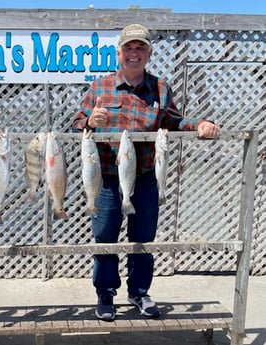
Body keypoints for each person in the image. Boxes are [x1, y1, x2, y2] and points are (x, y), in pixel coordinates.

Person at [73, 24, 220, 321]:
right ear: (118, 53)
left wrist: (201, 125)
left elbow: (176, 122)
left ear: (149, 53)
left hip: (145, 178)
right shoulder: (99, 87)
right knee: (104, 239)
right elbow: (76, 123)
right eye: (128, 48)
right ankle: (105, 295)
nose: (134, 54)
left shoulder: (160, 88)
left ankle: (139, 292)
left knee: (144, 239)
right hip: (106, 180)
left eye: (140, 48)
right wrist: (90, 121)